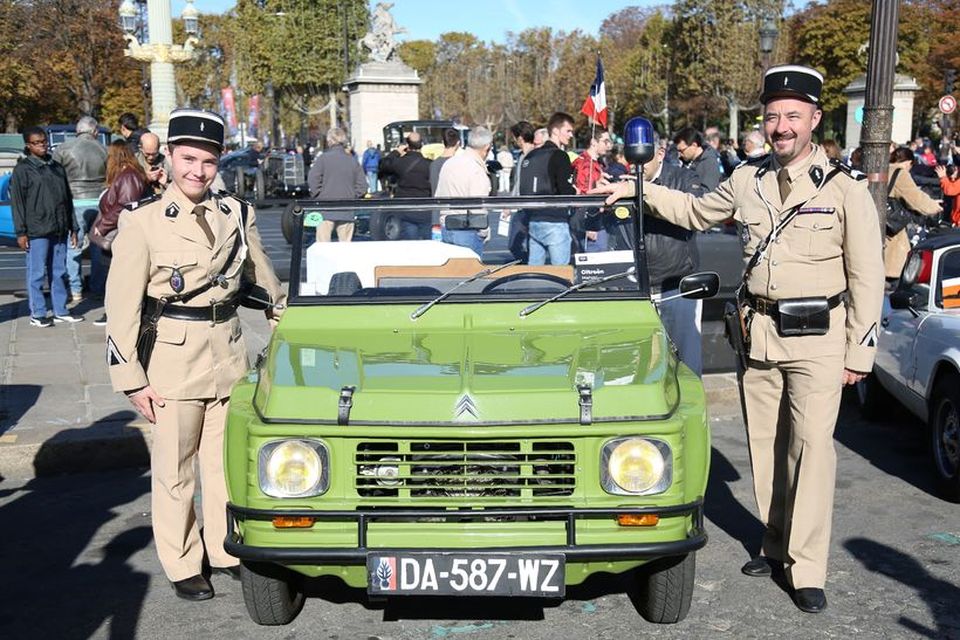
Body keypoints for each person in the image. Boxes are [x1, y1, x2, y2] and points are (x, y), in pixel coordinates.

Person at [595, 65, 884, 614]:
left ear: (815, 120)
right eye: (774, 116)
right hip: (760, 334)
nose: (781, 126)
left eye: (792, 116)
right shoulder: (747, 179)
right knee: (767, 449)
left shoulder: (844, 187)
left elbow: (868, 275)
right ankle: (775, 544)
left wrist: (860, 352)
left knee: (813, 451)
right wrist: (635, 189)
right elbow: (697, 211)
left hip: (820, 338)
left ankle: (807, 567)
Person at [104, 109, 285, 602]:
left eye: (207, 161)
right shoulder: (141, 223)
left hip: (228, 355)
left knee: (224, 464)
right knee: (175, 469)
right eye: (188, 159)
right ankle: (182, 561)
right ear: (168, 156)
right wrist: (132, 379)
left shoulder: (236, 213)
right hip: (171, 361)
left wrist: (285, 323)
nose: (197, 172)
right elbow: (120, 308)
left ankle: (224, 549)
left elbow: (263, 281)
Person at [10, 126, 82, 327]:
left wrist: (73, 227)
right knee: (36, 274)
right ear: (28, 145)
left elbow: (67, 198)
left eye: (43, 141)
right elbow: (18, 203)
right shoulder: (23, 170)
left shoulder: (56, 167)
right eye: (37, 142)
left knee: (59, 271)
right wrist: (21, 232)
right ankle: (38, 313)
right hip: (36, 230)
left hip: (58, 228)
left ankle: (60, 309)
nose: (42, 145)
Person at [89, 141, 150, 325]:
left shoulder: (128, 176)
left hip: (120, 233)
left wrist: (103, 225)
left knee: (119, 277)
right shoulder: (128, 175)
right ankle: (116, 312)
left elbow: (124, 206)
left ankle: (116, 313)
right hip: (120, 232)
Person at [52, 115, 107, 302]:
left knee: (73, 246)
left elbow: (54, 178)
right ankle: (98, 288)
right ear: (95, 131)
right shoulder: (104, 150)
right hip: (99, 202)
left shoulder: (63, 149)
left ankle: (75, 289)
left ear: (77, 131)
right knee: (98, 247)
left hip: (74, 201)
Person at [517, 112, 576, 265]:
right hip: (555, 220)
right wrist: (576, 190)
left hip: (533, 220)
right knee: (561, 273)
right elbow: (565, 189)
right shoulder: (560, 156)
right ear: (555, 131)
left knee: (535, 272)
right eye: (568, 131)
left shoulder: (531, 156)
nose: (571, 135)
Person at [883, 146, 941, 278]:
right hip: (890, 232)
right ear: (909, 162)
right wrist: (934, 206)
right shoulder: (899, 173)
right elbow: (915, 198)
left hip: (873, 225)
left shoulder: (881, 167)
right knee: (894, 277)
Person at [435, 126, 493, 255]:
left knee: (453, 273)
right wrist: (484, 231)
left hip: (447, 224)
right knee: (472, 272)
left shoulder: (449, 163)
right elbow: (477, 207)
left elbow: (438, 196)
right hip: (467, 228)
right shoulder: (476, 170)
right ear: (486, 147)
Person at [307, 127, 367, 242]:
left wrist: (318, 195)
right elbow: (363, 185)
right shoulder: (352, 160)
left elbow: (313, 180)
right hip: (347, 208)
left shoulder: (323, 159)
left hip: (325, 208)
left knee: (323, 247)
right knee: (345, 248)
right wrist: (353, 196)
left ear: (330, 141)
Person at [379, 131, 433, 238]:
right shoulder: (429, 164)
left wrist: (396, 152)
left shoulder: (400, 162)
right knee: (427, 244)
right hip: (425, 208)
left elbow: (383, 165)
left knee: (410, 243)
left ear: (407, 145)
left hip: (405, 208)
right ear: (421, 144)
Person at [673, 127, 722, 193]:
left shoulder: (710, 163)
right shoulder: (687, 161)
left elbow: (707, 193)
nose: (680, 154)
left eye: (681, 151)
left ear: (694, 145)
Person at [429, 128, 461, 195]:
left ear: (443, 142)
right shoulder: (461, 163)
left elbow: (434, 188)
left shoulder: (434, 164)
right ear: (458, 143)